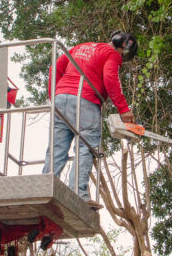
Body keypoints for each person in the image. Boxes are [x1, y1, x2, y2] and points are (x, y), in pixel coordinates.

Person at [44, 31, 137, 202]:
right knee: (85, 147)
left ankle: (45, 187)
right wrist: (123, 109)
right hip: (85, 100)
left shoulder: (81, 46)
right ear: (124, 47)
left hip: (60, 99)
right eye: (123, 57)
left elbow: (54, 68)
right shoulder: (111, 54)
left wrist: (54, 96)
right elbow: (110, 78)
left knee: (57, 148)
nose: (121, 60)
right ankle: (79, 194)